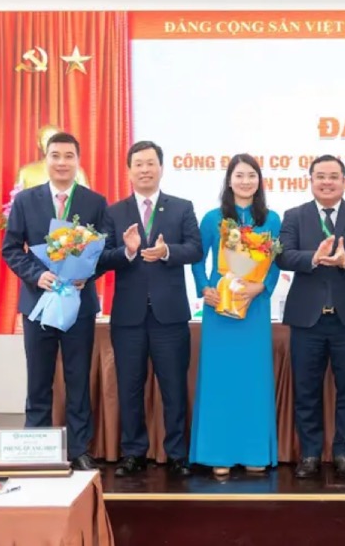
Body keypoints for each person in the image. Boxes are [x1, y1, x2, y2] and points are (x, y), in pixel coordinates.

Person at [1, 131, 106, 471]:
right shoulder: (26, 201)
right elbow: (11, 249)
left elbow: (105, 251)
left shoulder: (94, 202)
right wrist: (37, 274)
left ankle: (79, 448)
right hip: (38, 304)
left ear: (78, 161)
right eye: (55, 156)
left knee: (78, 378)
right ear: (45, 161)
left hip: (78, 305)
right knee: (39, 378)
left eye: (68, 156)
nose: (62, 163)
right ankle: (36, 445)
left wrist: (86, 274)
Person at [97, 140, 202, 477]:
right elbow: (100, 259)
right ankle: (133, 452)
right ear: (128, 170)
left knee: (173, 386)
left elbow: (195, 249)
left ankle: (176, 454)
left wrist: (167, 251)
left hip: (169, 316)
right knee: (129, 386)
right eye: (138, 164)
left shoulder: (181, 207)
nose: (144, 169)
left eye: (150, 163)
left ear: (161, 168)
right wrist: (127, 252)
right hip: (128, 317)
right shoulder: (114, 212)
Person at [276, 154, 345, 479]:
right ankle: (309, 453)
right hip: (308, 319)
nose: (327, 182)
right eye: (320, 176)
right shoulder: (294, 216)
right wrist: (313, 258)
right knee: (306, 389)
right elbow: (283, 255)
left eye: (333, 176)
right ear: (311, 180)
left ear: (344, 181)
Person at [190, 154, 281, 477]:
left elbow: (278, 263)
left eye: (251, 176)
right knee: (221, 380)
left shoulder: (271, 220)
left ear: (259, 181)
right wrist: (204, 288)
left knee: (253, 379)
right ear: (229, 180)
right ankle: (220, 452)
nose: (245, 181)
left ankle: (254, 450)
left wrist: (262, 287)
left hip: (254, 307)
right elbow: (198, 261)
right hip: (220, 307)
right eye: (239, 175)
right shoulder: (213, 218)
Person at [15, 125, 89, 190]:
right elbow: (16, 202)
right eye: (45, 138)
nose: (49, 142)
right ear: (39, 143)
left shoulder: (76, 173)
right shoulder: (25, 172)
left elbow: (86, 201)